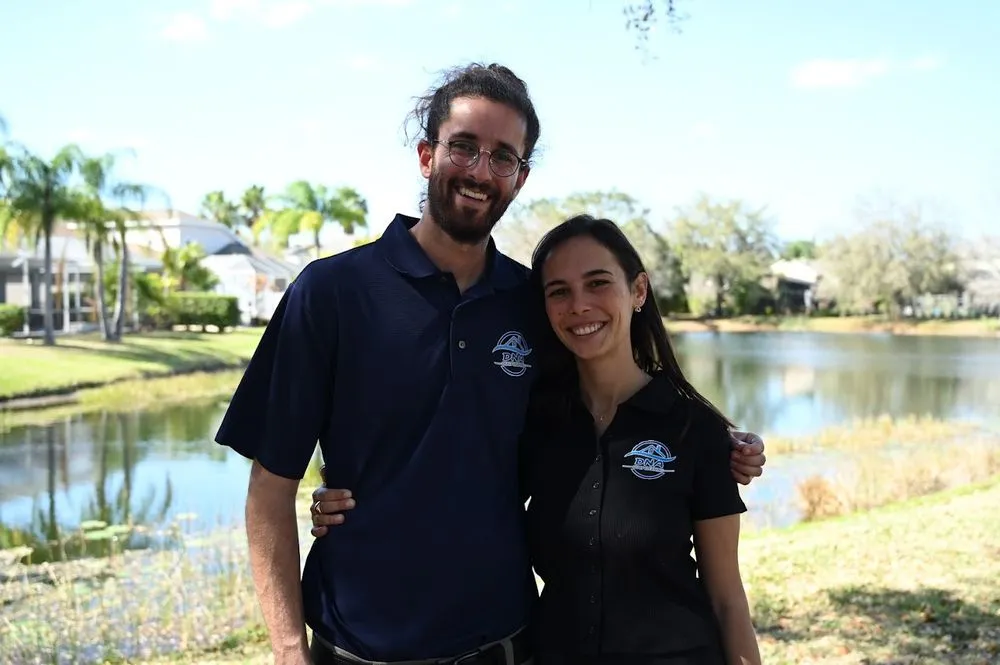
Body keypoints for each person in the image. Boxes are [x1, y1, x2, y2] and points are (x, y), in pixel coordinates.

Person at [217, 61, 766, 665]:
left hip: (504, 644)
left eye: (503, 156)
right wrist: (290, 651)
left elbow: (610, 399)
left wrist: (718, 439)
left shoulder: (535, 303)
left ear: (520, 176)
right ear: (427, 155)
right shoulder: (332, 293)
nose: (481, 171)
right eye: (464, 147)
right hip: (359, 646)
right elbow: (269, 489)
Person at [310, 215, 762, 665]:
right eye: (559, 291)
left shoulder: (694, 431)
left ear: (638, 290)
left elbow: (727, 599)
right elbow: (458, 483)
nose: (579, 305)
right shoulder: (539, 423)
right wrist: (354, 496)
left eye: (598, 283)